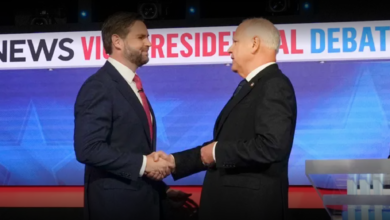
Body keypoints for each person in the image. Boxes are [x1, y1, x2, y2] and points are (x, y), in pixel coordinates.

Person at [152, 18, 297, 220]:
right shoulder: (254, 86)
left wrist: (216, 151)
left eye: (235, 41)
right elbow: (228, 143)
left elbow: (272, 147)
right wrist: (175, 162)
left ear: (254, 44)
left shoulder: (273, 85)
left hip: (249, 210)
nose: (229, 49)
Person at [73, 12, 188, 220]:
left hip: (141, 203)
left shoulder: (131, 85)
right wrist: (145, 164)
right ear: (117, 41)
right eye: (141, 37)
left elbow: (131, 150)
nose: (149, 43)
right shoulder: (99, 86)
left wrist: (162, 190)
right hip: (115, 209)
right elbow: (88, 149)